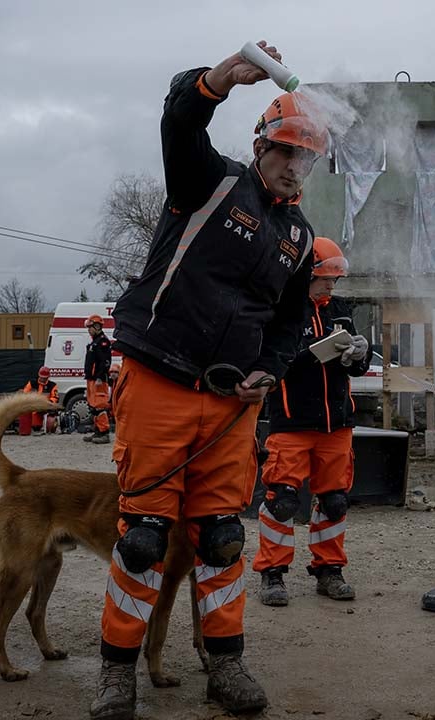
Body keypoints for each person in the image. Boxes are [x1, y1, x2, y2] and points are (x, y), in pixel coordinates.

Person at [91, 41, 328, 719]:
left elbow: (288, 325)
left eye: (303, 155)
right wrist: (221, 78)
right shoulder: (210, 182)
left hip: (230, 404)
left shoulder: (300, 239)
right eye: (283, 149)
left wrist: (269, 371)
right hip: (159, 380)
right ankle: (115, 674)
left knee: (223, 539)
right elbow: (178, 121)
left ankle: (224, 664)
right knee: (142, 538)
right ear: (261, 147)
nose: (291, 164)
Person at [253, 236, 369, 606]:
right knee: (282, 500)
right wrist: (315, 354)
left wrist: (357, 356)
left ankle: (329, 570)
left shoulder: (340, 309)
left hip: (337, 423)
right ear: (304, 275)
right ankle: (272, 574)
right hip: (291, 421)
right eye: (325, 278)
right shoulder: (281, 311)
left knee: (334, 500)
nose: (332, 285)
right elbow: (274, 362)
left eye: (335, 279)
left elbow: (356, 368)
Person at [82, 314, 112, 444]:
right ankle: (97, 431)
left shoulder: (103, 342)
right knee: (93, 406)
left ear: (97, 326)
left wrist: (100, 376)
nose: (88, 330)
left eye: (90, 327)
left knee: (100, 406)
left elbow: (105, 361)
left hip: (98, 379)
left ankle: (104, 433)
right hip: (91, 379)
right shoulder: (94, 342)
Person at [21, 366, 59, 434]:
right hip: (33, 406)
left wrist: (49, 402)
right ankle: (34, 425)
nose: (43, 379)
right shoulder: (32, 383)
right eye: (42, 377)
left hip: (46, 406)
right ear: (39, 375)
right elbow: (25, 393)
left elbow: (55, 397)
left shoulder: (52, 385)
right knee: (35, 425)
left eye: (45, 378)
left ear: (48, 377)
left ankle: (46, 425)